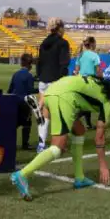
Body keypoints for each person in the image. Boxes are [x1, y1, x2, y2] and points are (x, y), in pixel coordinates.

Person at [11, 74, 110, 201]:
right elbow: (99, 138)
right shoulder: (105, 101)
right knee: (58, 147)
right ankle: (22, 174)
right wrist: (103, 166)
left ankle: (79, 177)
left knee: (79, 131)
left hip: (52, 91)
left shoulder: (95, 84)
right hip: (62, 97)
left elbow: (77, 97)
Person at [35, 17, 70, 153]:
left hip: (43, 81)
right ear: (60, 28)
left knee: (44, 114)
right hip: (55, 81)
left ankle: (41, 144)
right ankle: (59, 143)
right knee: (59, 113)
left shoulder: (44, 43)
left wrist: (40, 77)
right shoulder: (63, 43)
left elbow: (39, 62)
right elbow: (64, 64)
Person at [8, 53, 37, 150]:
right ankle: (25, 144)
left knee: (14, 123)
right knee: (27, 123)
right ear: (30, 64)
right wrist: (40, 89)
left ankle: (9, 142)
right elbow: (30, 90)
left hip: (15, 101)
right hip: (25, 102)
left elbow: (10, 89)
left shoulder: (16, 74)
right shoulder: (29, 76)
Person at [73, 36, 102, 129]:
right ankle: (74, 118)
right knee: (91, 104)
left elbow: (76, 70)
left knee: (86, 103)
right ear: (93, 44)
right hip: (89, 81)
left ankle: (88, 124)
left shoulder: (80, 55)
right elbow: (98, 71)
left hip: (80, 81)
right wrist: (102, 79)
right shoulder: (95, 55)